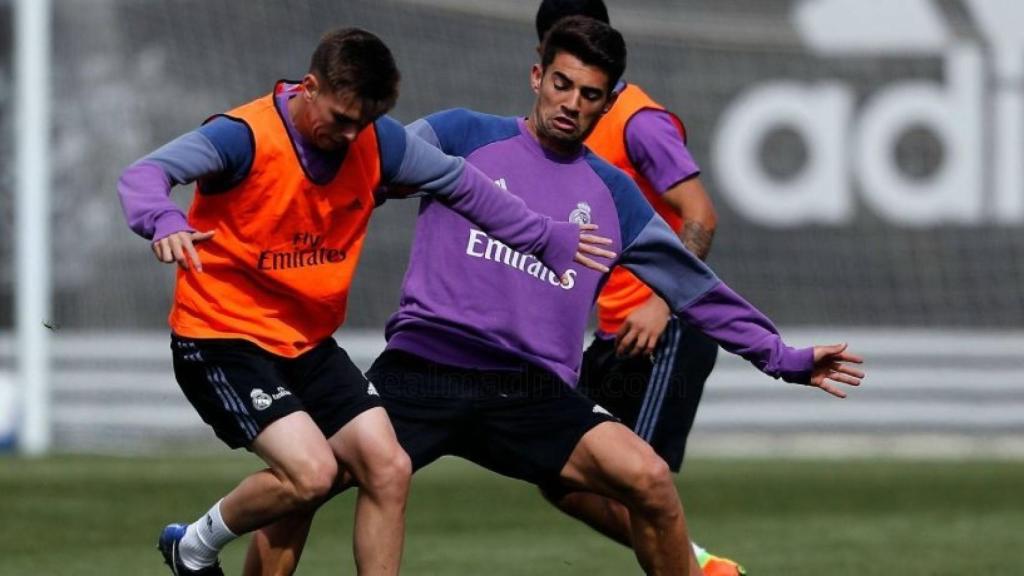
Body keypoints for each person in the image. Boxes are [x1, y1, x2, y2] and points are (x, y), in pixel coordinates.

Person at [244, 16, 864, 576]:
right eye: (562, 84)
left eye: (590, 95)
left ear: (609, 102)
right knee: (305, 481)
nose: (571, 104)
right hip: (424, 369)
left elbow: (695, 290)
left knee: (649, 479)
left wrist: (782, 358)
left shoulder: (613, 194)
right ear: (537, 76)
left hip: (532, 390)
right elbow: (358, 172)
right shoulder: (461, 134)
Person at [116, 27, 610, 576]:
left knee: (389, 466)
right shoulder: (245, 137)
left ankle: (196, 547)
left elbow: (462, 184)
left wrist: (543, 235)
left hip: (306, 345)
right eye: (342, 118)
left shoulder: (378, 141)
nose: (352, 135)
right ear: (309, 87)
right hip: (222, 338)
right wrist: (162, 218)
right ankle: (194, 547)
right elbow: (145, 174)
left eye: (366, 121)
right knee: (311, 475)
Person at [533, 2, 742, 574]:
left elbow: (701, 213)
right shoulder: (574, 124)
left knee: (638, 485)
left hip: (666, 329)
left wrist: (661, 302)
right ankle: (703, 566)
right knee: (556, 472)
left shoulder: (637, 120)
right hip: (617, 335)